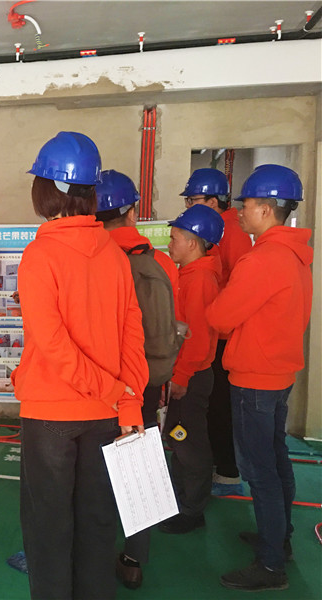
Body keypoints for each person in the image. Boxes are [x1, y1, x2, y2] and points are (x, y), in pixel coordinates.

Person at [12, 132, 148, 599]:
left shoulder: (40, 255)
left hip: (51, 415)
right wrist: (126, 400)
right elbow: (133, 337)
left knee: (48, 530)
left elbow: (53, 345)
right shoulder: (114, 255)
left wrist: (110, 391)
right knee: (96, 525)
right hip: (104, 416)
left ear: (46, 190)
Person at [207, 164, 312, 592]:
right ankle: (279, 539)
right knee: (276, 458)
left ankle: (270, 566)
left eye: (245, 204)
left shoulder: (262, 260)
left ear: (266, 209)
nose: (239, 212)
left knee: (259, 470)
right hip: (280, 373)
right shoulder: (295, 255)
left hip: (254, 378)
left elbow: (220, 317)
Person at [95, 169, 179, 589]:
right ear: (130, 213)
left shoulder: (91, 260)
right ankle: (132, 559)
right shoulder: (159, 262)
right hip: (145, 383)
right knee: (140, 469)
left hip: (98, 385)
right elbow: (172, 324)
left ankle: (89, 555)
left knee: (91, 473)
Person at [181, 168, 253, 497]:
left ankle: (226, 472)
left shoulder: (231, 232)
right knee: (211, 407)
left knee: (220, 406)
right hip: (213, 331)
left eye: (193, 200)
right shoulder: (219, 229)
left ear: (213, 201)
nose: (188, 206)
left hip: (221, 335)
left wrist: (215, 313)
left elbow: (239, 287)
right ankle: (215, 467)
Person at [159, 204, 223, 536]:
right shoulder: (188, 275)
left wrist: (181, 377)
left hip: (192, 376)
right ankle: (180, 501)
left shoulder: (200, 280)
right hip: (183, 373)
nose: (170, 245)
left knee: (189, 443)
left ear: (193, 243)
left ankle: (192, 509)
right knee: (178, 437)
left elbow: (198, 339)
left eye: (174, 239)